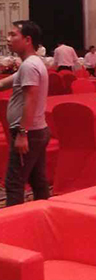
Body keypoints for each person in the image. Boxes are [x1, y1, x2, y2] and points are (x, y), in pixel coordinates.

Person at [0, 20, 50, 207]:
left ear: (28, 40)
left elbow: (31, 100)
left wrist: (23, 133)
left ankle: (15, 221)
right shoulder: (30, 64)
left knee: (14, 183)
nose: (8, 39)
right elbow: (3, 84)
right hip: (36, 130)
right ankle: (43, 213)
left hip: (29, 132)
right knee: (38, 180)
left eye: (13, 35)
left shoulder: (29, 66)